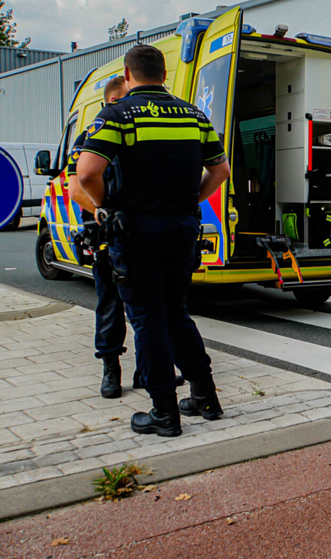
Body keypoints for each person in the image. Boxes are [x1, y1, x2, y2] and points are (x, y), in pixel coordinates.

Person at [76, 44, 231, 437]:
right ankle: (205, 398)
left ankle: (164, 414)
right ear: (165, 75)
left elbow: (86, 172)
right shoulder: (195, 116)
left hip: (137, 231)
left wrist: (103, 206)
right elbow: (221, 170)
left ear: (128, 76)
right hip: (182, 228)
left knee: (147, 320)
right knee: (176, 313)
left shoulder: (117, 114)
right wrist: (189, 200)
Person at [67, 76, 129, 398]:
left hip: (136, 229)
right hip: (105, 229)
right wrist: (102, 212)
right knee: (109, 301)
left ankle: (152, 367)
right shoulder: (90, 135)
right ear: (109, 102)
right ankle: (110, 367)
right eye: (123, 100)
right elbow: (76, 185)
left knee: (147, 302)